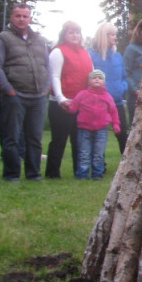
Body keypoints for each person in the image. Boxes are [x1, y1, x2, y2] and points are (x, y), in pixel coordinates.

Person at [0, 4, 49, 182]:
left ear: (30, 18)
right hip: (15, 96)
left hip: (38, 97)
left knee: (35, 138)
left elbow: (47, 64)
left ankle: (34, 174)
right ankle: (12, 174)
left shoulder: (39, 39)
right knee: (12, 138)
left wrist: (46, 88)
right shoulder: (2, 40)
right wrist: (8, 90)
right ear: (11, 18)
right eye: (18, 16)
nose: (22, 19)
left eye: (25, 16)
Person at [47, 21, 93, 178]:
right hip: (62, 103)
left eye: (77, 32)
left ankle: (79, 172)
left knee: (79, 140)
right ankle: (52, 173)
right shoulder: (58, 52)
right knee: (59, 140)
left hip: (81, 104)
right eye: (71, 32)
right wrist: (60, 98)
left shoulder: (85, 53)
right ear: (64, 35)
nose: (75, 35)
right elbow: (54, 76)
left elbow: (92, 75)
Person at [66, 69, 120, 180]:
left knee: (98, 154)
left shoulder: (107, 97)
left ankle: (97, 175)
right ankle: (82, 175)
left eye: (100, 78)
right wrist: (68, 107)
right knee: (84, 153)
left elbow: (113, 111)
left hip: (101, 130)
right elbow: (74, 107)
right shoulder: (82, 94)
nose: (97, 79)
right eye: (94, 77)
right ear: (89, 81)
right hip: (84, 129)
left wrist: (116, 124)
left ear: (103, 82)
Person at [89, 23, 128, 154]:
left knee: (122, 133)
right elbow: (88, 79)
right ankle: (99, 166)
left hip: (117, 102)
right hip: (99, 102)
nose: (115, 38)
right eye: (112, 35)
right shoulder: (91, 56)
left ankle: (126, 163)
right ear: (103, 36)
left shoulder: (118, 56)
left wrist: (121, 89)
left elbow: (124, 77)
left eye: (115, 34)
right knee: (99, 136)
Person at [123, 17, 142, 125]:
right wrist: (135, 90)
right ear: (140, 29)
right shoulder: (131, 49)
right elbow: (126, 72)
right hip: (135, 95)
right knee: (135, 126)